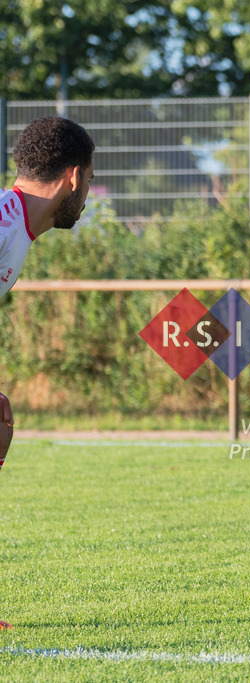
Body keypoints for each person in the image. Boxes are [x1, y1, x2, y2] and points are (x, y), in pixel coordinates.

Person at [0, 116, 95, 630]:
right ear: (73, 177)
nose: (87, 196)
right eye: (91, 180)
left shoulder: (16, 226)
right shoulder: (3, 223)